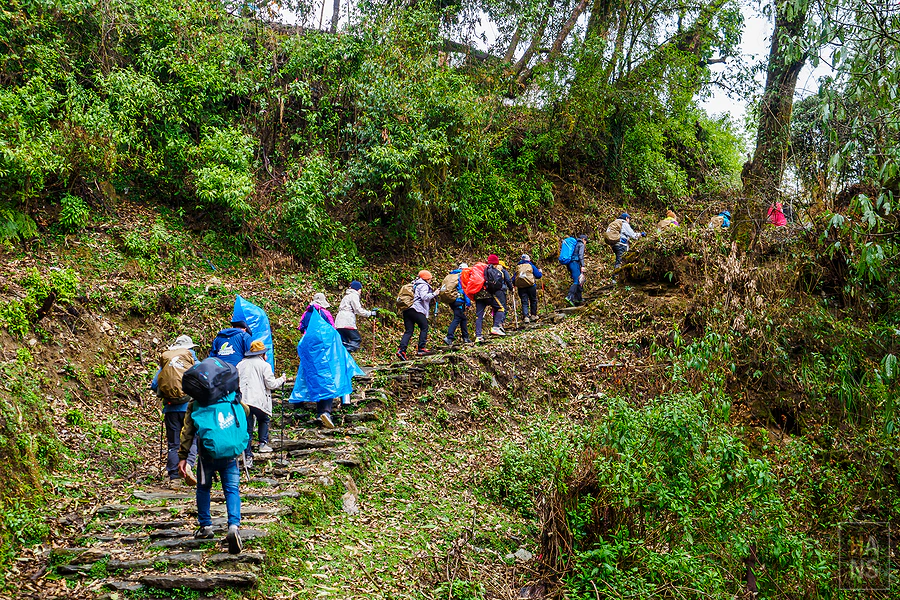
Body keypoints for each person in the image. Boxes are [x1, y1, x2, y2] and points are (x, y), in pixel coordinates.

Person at [178, 393, 248, 554]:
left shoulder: (197, 401)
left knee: (203, 488)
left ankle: (206, 526)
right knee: (232, 489)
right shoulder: (230, 396)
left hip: (207, 455)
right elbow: (246, 411)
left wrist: (183, 457)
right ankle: (233, 526)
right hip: (230, 454)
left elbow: (188, 431)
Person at [151, 335, 199, 488]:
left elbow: (154, 384)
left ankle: (174, 478)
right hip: (190, 407)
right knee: (191, 438)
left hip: (171, 408)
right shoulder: (193, 361)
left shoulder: (167, 362)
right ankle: (189, 465)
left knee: (173, 443)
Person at [237, 340, 286, 469]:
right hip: (257, 400)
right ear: (262, 353)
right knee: (263, 419)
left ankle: (247, 456)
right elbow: (271, 384)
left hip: (242, 401)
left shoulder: (240, 364)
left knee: (247, 428)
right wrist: (282, 379)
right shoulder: (264, 365)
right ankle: (262, 443)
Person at [396, 270, 439, 361]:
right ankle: (421, 348)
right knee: (424, 327)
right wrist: (434, 294)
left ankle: (401, 350)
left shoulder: (414, 283)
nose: (430, 280)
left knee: (409, 331)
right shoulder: (423, 285)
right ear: (427, 279)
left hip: (407, 309)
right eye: (430, 279)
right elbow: (424, 297)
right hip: (416, 309)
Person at [334, 281, 376, 353]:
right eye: (360, 289)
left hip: (339, 322)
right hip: (347, 321)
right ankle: (345, 352)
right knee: (356, 339)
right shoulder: (354, 295)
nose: (361, 291)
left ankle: (341, 356)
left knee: (344, 342)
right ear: (357, 289)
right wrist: (370, 313)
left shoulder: (346, 296)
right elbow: (358, 310)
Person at [474, 255, 506, 342]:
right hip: (487, 294)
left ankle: (478, 336)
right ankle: (496, 327)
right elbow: (493, 284)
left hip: (477, 293)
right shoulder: (491, 269)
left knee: (479, 315)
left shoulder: (479, 269)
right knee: (500, 308)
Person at [444, 263, 471, 346]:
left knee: (463, 318)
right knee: (457, 318)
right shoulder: (462, 276)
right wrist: (468, 302)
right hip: (459, 300)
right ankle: (449, 337)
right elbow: (464, 290)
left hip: (452, 300)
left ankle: (465, 337)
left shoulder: (452, 275)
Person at [514, 254, 543, 323]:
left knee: (524, 302)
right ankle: (533, 315)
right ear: (528, 259)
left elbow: (514, 278)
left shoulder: (518, 267)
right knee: (533, 300)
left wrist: (513, 284)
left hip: (521, 287)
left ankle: (526, 317)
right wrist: (540, 272)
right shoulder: (531, 266)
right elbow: (538, 276)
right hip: (531, 286)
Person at [565, 235, 588, 306]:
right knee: (577, 281)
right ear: (583, 239)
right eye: (586, 241)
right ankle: (569, 297)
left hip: (570, 264)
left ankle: (578, 298)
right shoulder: (581, 244)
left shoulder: (575, 244)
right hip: (575, 263)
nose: (585, 243)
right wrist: (583, 265)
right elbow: (581, 255)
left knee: (579, 280)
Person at [494, 258, 514, 331]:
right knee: (502, 307)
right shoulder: (503, 271)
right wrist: (511, 288)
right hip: (501, 291)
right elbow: (508, 280)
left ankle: (495, 324)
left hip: (493, 291)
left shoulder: (492, 270)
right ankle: (500, 323)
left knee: (496, 308)